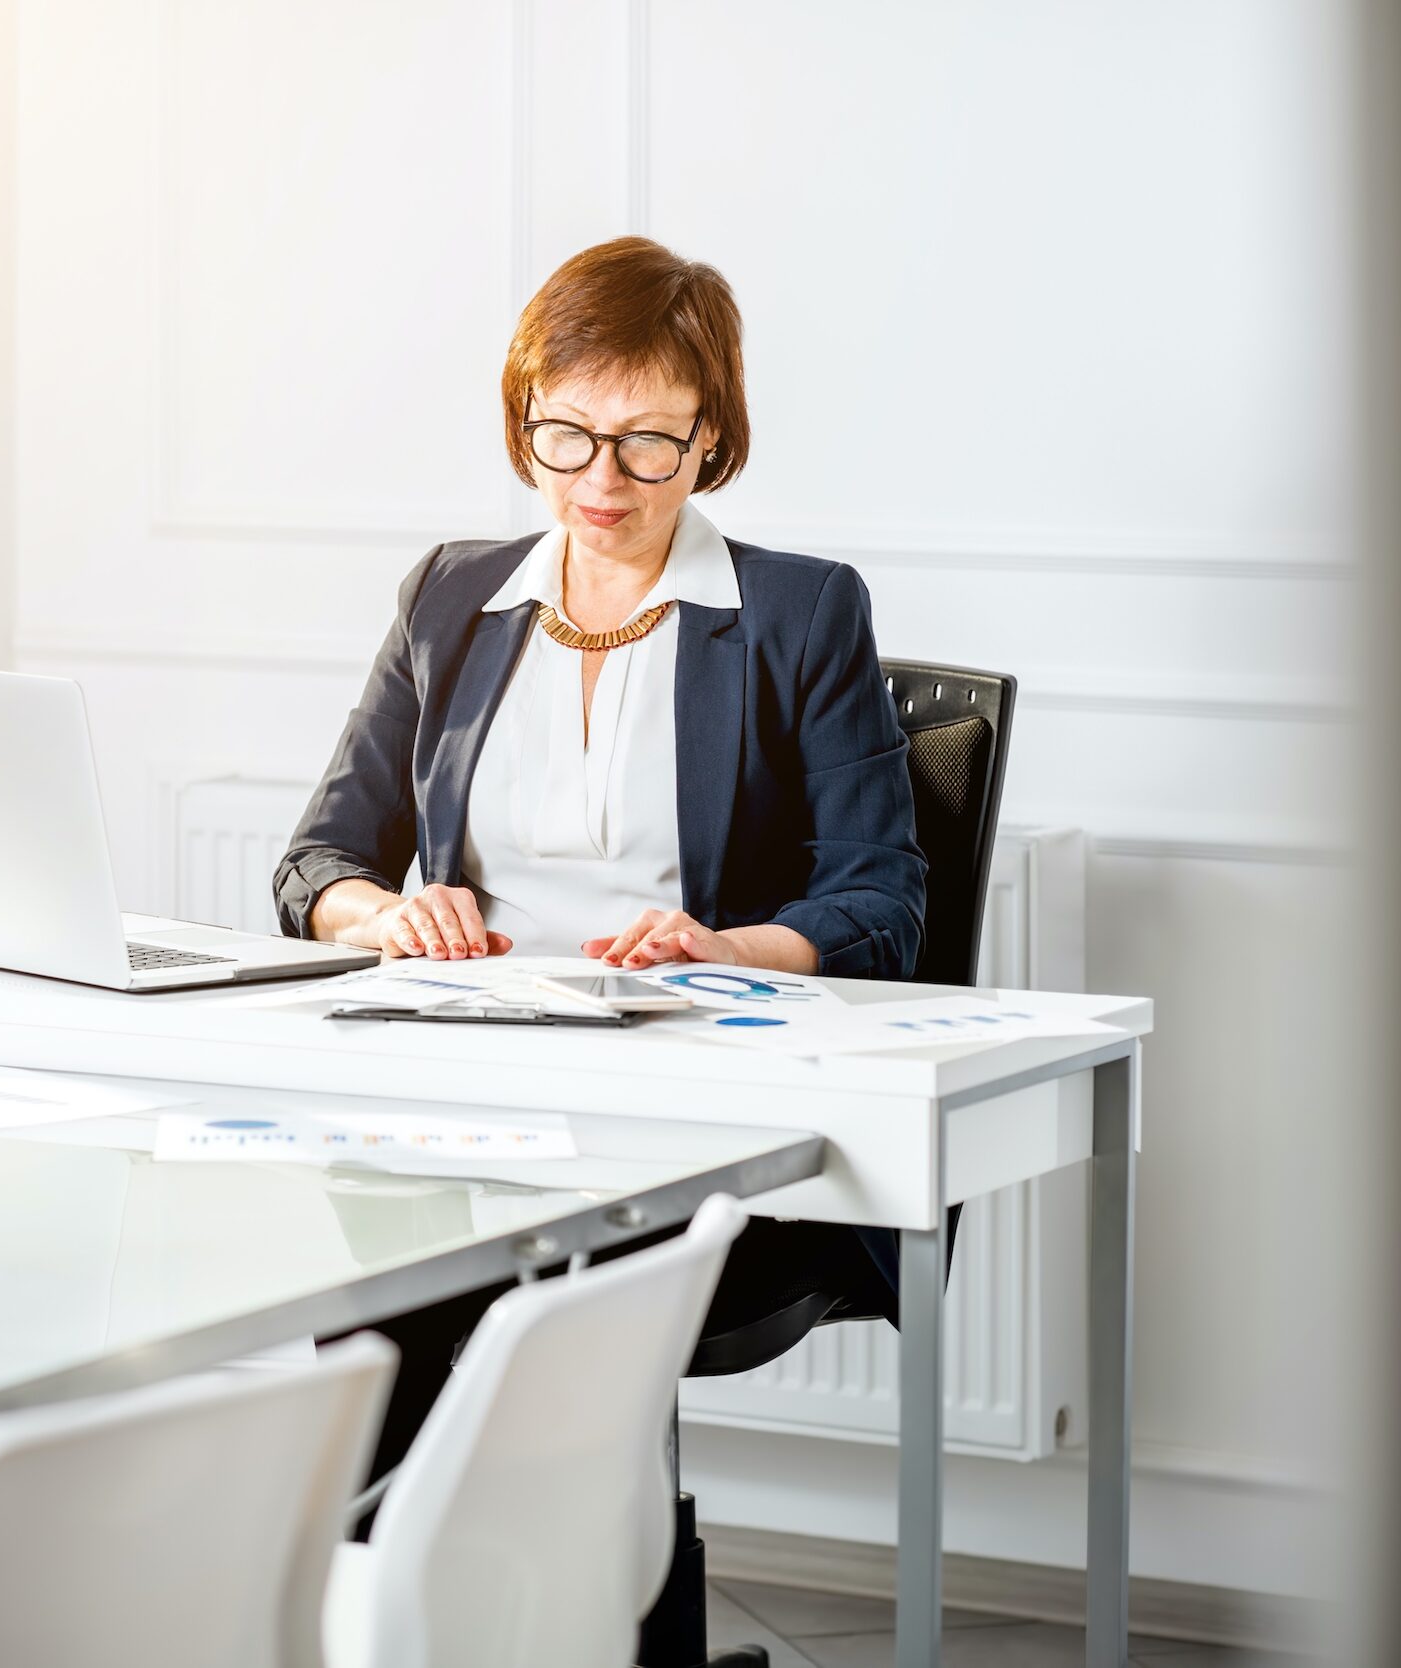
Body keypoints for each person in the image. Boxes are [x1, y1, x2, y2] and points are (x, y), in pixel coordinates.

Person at [274, 235, 929, 1484]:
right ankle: (393, 1605)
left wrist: (726, 947)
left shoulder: (799, 612)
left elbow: (881, 895)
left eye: (648, 443)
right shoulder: (450, 600)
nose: (602, 478)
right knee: (377, 1265)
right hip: (469, 1083)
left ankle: (568, 1601)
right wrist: (382, 921)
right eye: (566, 434)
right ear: (526, 426)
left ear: (711, 442)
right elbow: (323, 860)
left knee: (523, 1288)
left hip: (695, 1107)